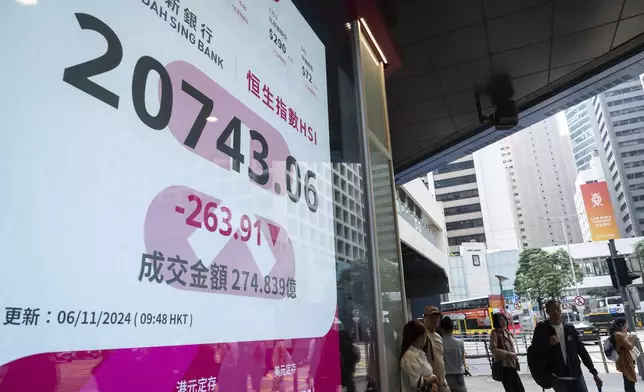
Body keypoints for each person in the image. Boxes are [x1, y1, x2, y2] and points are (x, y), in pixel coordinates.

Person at [531, 300, 602, 392]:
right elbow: (535, 352)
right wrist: (547, 344)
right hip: (558, 378)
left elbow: (582, 351)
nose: (556, 312)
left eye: (558, 309)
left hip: (577, 376)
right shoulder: (542, 329)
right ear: (547, 312)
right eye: (553, 310)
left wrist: (594, 373)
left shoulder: (569, 328)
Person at [400, 320, 439, 392]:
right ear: (421, 337)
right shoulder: (409, 355)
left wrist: (433, 383)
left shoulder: (420, 353)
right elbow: (416, 382)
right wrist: (433, 378)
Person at [490, 313, 525, 392]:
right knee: (511, 389)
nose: (504, 322)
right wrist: (508, 353)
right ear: (496, 322)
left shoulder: (507, 332)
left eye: (504, 319)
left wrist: (514, 356)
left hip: (512, 365)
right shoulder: (495, 333)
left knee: (520, 388)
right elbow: (493, 349)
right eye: (501, 320)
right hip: (504, 366)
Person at [424, 306, 450, 392]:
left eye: (437, 317)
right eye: (431, 317)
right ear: (425, 318)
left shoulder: (438, 336)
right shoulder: (422, 335)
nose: (435, 320)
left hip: (442, 382)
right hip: (430, 384)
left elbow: (440, 358)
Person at [610, 318, 637, 392]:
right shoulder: (619, 335)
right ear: (622, 325)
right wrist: (632, 338)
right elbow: (629, 346)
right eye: (626, 324)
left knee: (628, 379)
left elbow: (623, 345)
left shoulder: (617, 333)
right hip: (625, 360)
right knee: (630, 380)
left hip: (622, 359)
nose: (627, 326)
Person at [441, 316, 467, 392]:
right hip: (459, 377)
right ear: (452, 328)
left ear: (441, 329)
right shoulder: (460, 343)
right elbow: (462, 358)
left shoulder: (439, 343)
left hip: (445, 377)